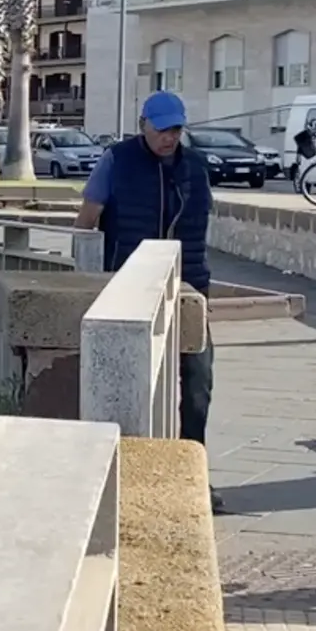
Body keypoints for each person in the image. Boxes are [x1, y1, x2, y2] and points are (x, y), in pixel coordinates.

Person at [74, 90, 222, 514]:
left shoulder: (196, 168)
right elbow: (87, 221)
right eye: (162, 129)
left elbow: (201, 228)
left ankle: (192, 476)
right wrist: (88, 278)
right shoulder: (116, 161)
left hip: (188, 291)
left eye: (175, 129)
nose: (169, 137)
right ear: (143, 126)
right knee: (134, 388)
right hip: (126, 292)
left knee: (198, 384)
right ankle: (131, 476)